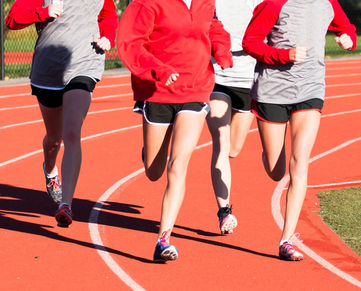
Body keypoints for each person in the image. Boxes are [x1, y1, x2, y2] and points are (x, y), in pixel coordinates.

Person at [117, 0, 232, 262]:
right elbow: (130, 43)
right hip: (157, 90)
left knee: (178, 165)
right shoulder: (148, 3)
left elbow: (212, 26)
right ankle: (149, 154)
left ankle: (163, 238)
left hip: (196, 88)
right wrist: (157, 69)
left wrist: (222, 49)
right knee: (153, 172)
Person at [242, 0, 357, 261]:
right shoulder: (274, 4)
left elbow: (346, 27)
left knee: (300, 162)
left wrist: (348, 38)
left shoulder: (328, 3)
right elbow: (251, 42)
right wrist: (285, 55)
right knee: (276, 170)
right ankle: (270, 155)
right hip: (272, 91)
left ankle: (286, 238)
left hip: (310, 88)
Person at [5, 0, 118, 227]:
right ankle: (49, 169)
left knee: (72, 132)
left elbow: (108, 15)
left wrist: (108, 36)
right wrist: (43, 12)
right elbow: (12, 19)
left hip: (85, 62)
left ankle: (66, 204)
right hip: (48, 70)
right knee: (54, 139)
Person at [207, 0, 263, 235]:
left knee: (234, 149)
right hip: (216, 74)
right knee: (221, 143)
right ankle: (224, 212)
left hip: (248, 77)